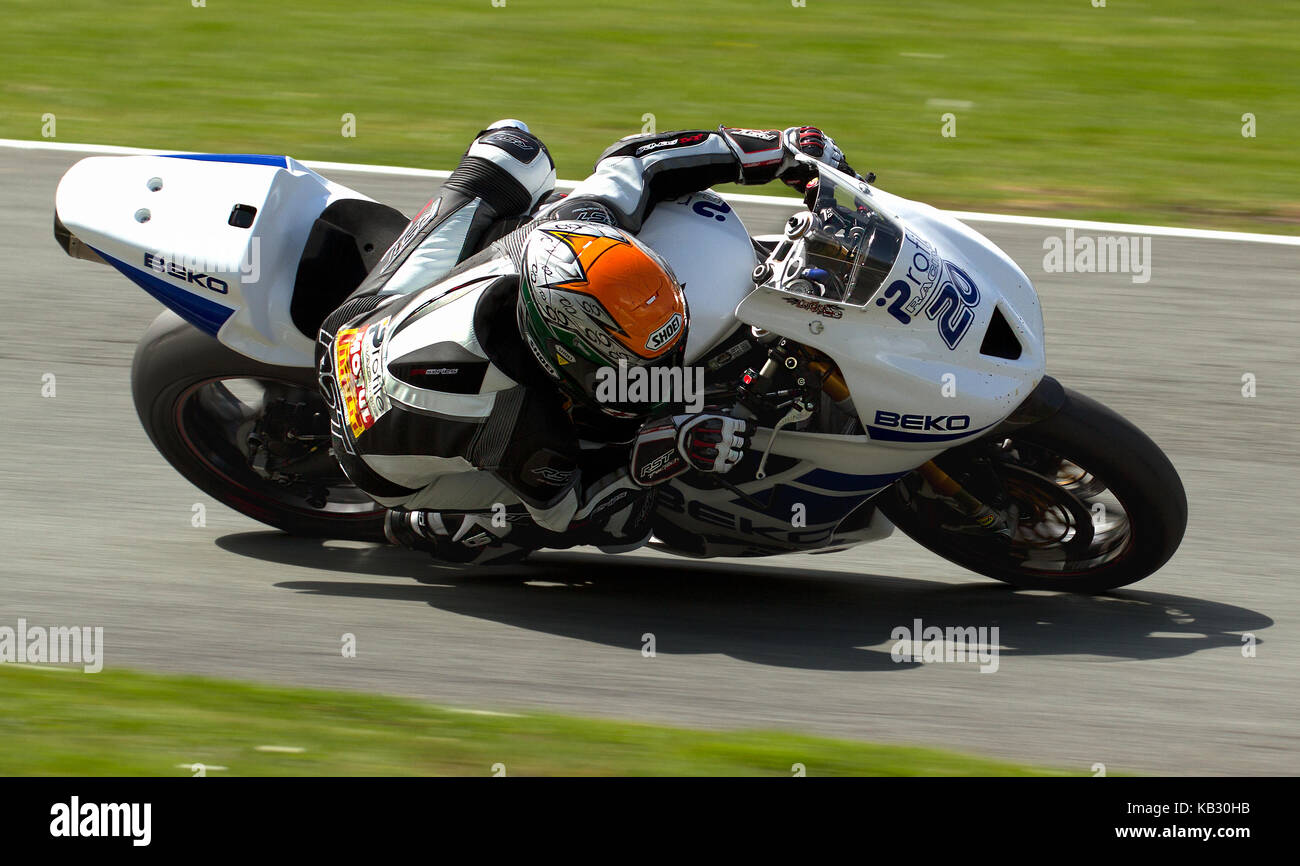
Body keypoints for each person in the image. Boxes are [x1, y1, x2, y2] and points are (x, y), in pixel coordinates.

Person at [316, 120, 857, 563]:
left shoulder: (574, 227)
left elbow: (638, 160)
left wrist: (780, 150)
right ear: (562, 359)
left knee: (511, 147)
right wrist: (672, 448)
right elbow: (572, 509)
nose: (663, 369)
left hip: (371, 319)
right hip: (374, 443)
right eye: (635, 366)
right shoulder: (517, 421)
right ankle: (444, 525)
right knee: (622, 524)